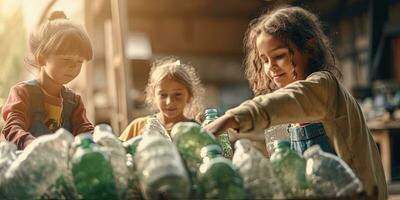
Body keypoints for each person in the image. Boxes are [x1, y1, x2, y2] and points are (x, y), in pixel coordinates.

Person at [204, 6, 387, 199]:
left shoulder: (324, 87)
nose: (271, 67)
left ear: (310, 48)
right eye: (264, 60)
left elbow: (277, 104)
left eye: (279, 56)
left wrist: (227, 119)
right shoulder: (285, 118)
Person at [0, 11, 94, 150]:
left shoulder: (74, 101)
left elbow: (85, 131)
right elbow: (12, 128)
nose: (74, 66)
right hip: (24, 164)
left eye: (79, 61)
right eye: (67, 59)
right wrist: (32, 144)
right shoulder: (22, 93)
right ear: (42, 58)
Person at [119, 57, 205, 141]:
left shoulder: (196, 131)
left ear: (189, 96)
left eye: (178, 94)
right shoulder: (138, 127)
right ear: (153, 96)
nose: (169, 102)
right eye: (163, 95)